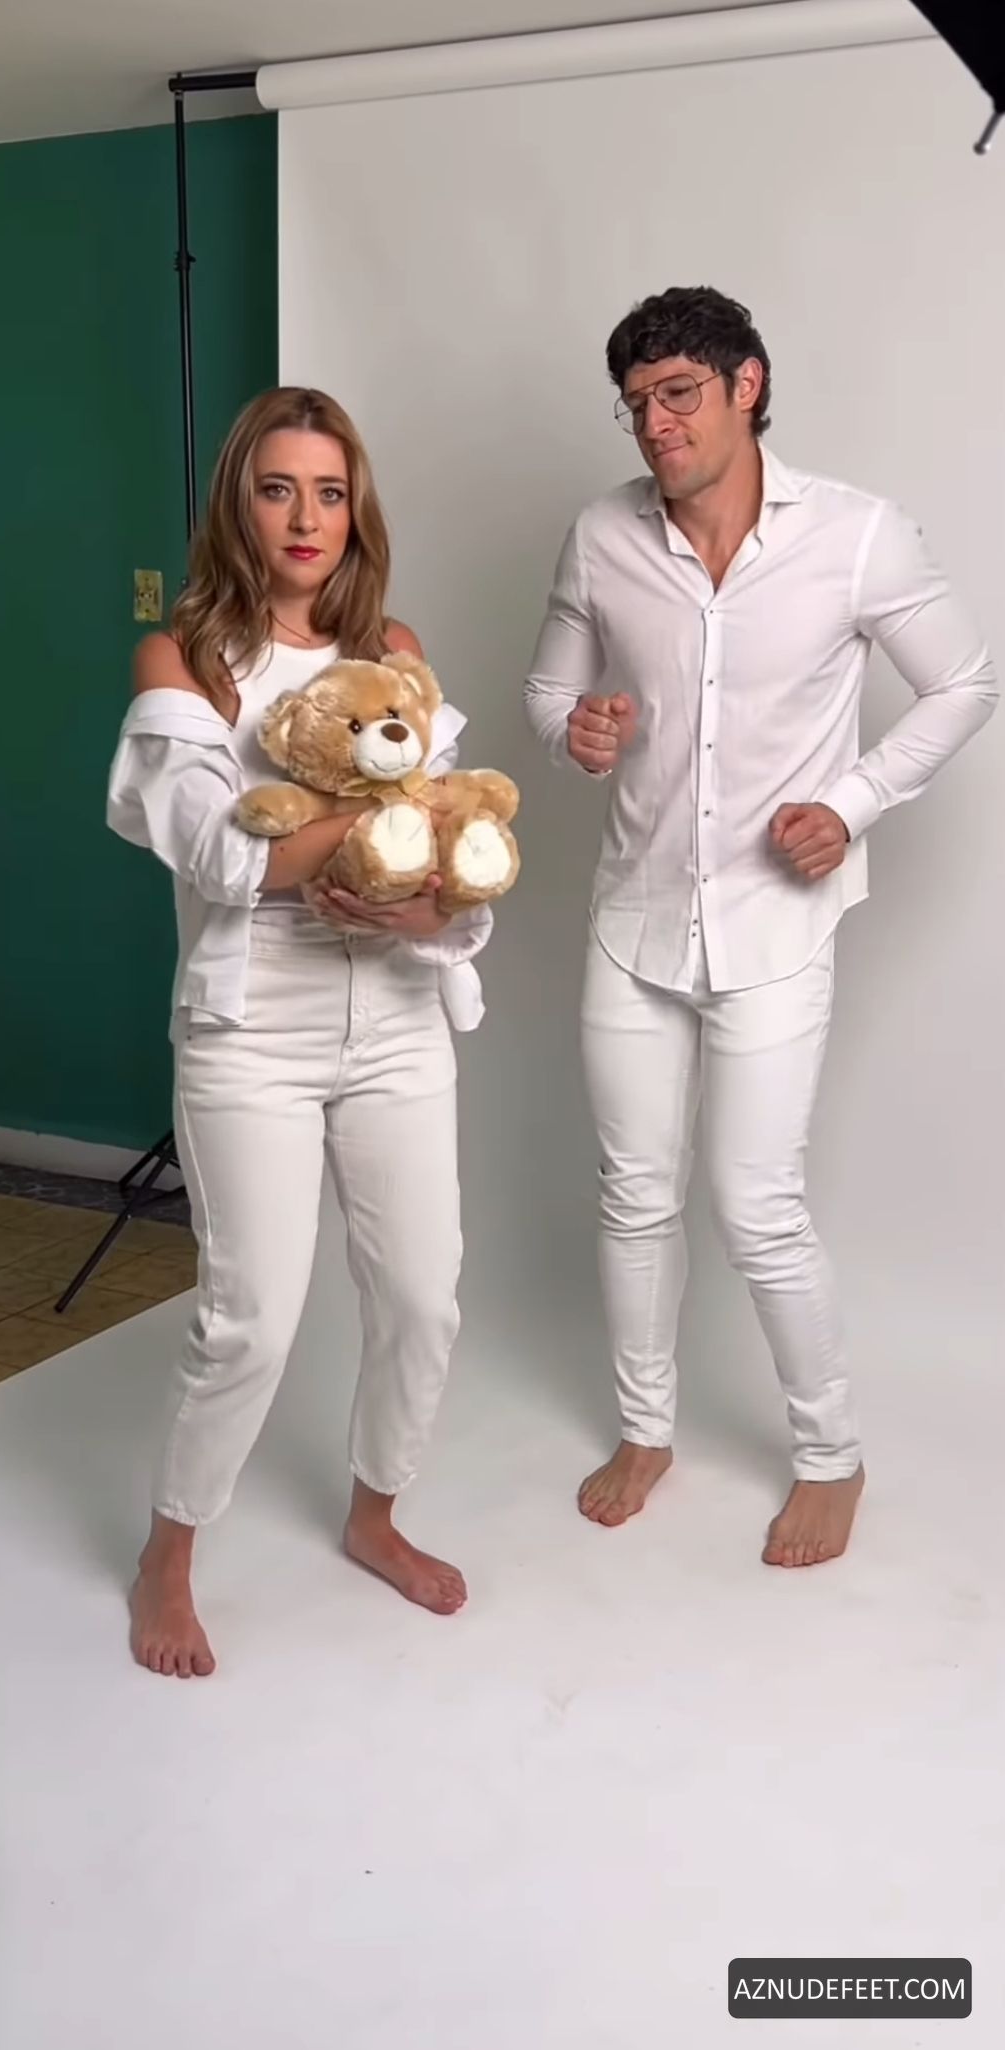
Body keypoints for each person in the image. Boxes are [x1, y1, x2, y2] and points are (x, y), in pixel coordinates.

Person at [524, 286, 997, 1568]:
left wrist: (852, 803)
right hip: (633, 919)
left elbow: (965, 680)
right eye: (636, 404)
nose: (655, 425)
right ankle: (646, 1430)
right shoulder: (601, 535)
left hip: (776, 924)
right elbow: (549, 688)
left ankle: (831, 1455)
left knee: (755, 1202)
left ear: (748, 384)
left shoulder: (856, 534)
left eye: (678, 392)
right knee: (634, 1195)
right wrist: (574, 731)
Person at [108, 387, 493, 1676]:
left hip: (395, 1014)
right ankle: (170, 1553)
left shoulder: (392, 649)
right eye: (279, 488)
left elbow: (451, 863)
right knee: (253, 1317)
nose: (306, 517)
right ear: (241, 503)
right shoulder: (185, 660)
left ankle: (376, 1514)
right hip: (251, 1028)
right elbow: (224, 856)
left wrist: (423, 903)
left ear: (355, 510)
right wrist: (380, 821)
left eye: (330, 492)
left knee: (424, 1296)